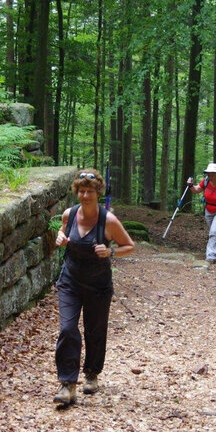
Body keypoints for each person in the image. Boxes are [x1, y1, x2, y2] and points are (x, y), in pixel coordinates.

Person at [53, 168, 136, 405]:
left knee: (95, 331)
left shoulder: (108, 220)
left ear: (98, 193)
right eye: (81, 191)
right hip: (70, 281)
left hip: (98, 285)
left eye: (89, 191)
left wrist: (110, 251)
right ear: (76, 192)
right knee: (67, 329)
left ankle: (91, 374)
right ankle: (67, 384)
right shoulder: (69, 215)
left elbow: (129, 246)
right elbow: (62, 231)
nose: (85, 196)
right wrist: (60, 237)